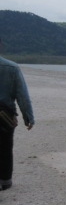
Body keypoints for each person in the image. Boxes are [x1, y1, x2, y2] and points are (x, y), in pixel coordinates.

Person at [0, 38, 35, 191]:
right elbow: (22, 96)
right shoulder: (12, 68)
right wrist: (28, 118)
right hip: (4, 116)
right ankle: (5, 181)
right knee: (5, 148)